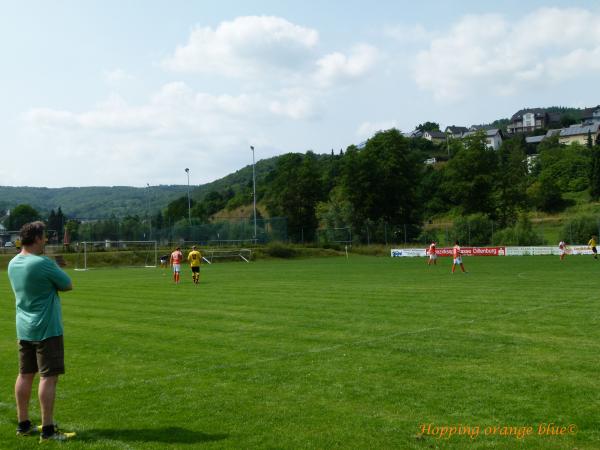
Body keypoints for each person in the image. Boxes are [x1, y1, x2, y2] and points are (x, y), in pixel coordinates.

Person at [7, 221, 76, 442]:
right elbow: (67, 284)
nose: (46, 240)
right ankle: (47, 429)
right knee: (49, 377)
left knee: (25, 375)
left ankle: (23, 424)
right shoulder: (42, 263)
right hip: (47, 329)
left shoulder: (13, 263)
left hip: (23, 328)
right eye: (44, 237)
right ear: (37, 238)